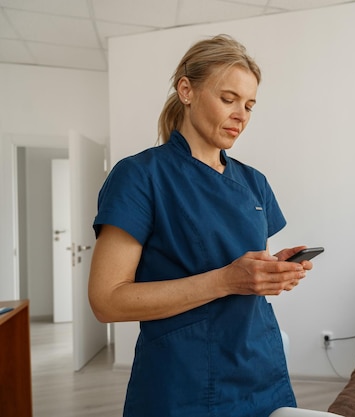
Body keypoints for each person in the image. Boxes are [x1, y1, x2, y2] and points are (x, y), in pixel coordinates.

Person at [88, 34, 314, 417]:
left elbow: (239, 264)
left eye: (249, 105)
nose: (241, 114)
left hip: (260, 365)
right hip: (183, 378)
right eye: (228, 99)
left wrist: (271, 273)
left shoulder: (254, 181)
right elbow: (107, 301)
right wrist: (227, 280)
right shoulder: (140, 176)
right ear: (186, 90)